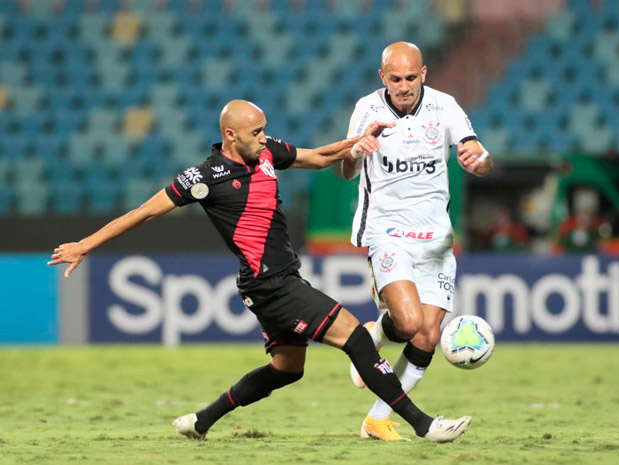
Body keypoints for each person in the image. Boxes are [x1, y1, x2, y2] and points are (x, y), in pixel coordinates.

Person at [48, 100, 471, 443]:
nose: (264, 137)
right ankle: (422, 425)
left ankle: (201, 420)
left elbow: (318, 157)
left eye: (265, 129)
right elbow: (143, 213)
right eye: (255, 132)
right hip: (273, 285)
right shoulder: (205, 177)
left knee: (287, 370)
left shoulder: (267, 154)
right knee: (357, 338)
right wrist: (84, 245)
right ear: (230, 136)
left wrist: (357, 143)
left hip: (272, 284)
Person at [341, 42, 493, 441]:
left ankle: (376, 419)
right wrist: (356, 151)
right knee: (408, 323)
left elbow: (477, 150)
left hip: (436, 239)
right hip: (387, 232)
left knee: (427, 334)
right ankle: (378, 334)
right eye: (396, 79)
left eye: (411, 77)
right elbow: (345, 171)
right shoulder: (367, 109)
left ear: (423, 73)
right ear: (383, 78)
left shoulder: (445, 106)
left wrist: (479, 159)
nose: (404, 86)